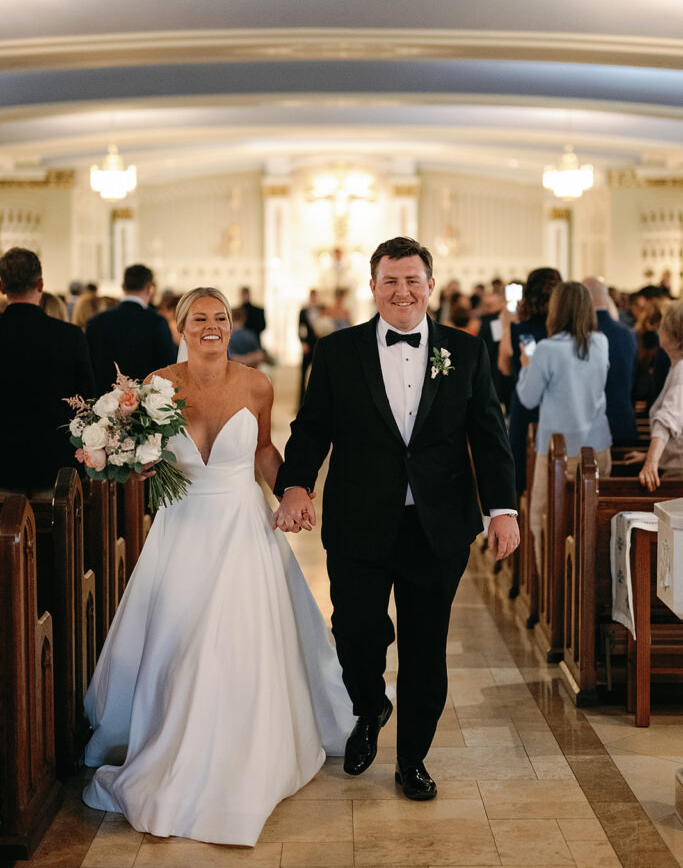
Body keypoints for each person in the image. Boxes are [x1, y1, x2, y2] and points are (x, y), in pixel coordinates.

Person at [82, 287, 353, 845]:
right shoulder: (156, 386)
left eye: (221, 318)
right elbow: (142, 460)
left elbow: (262, 453)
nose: (213, 326)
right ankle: (171, 743)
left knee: (229, 641)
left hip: (241, 530)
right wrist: (123, 458)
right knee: (178, 641)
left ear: (233, 324)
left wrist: (292, 494)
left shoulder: (256, 384)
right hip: (181, 531)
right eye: (200, 318)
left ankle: (237, 752)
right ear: (180, 325)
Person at [273, 237, 518, 801]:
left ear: (430, 286)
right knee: (356, 633)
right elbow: (312, 428)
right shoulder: (337, 352)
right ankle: (369, 705)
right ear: (373, 286)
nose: (402, 291)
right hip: (360, 519)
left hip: (438, 525)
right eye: (391, 281)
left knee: (426, 647)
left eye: (413, 280)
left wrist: (501, 509)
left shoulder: (467, 351)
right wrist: (295, 485)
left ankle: (413, 759)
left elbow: (489, 434)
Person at [516, 281, 611, 575]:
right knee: (591, 525)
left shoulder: (545, 349)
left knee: (543, 520)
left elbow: (527, 397)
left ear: (555, 311)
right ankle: (590, 592)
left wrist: (527, 363)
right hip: (598, 448)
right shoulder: (600, 342)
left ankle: (554, 597)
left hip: (558, 451)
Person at [0, 247, 95, 495]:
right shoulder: (69, 336)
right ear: (41, 284)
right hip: (55, 464)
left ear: (2, 286)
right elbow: (86, 399)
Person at [498, 267, 562, 495]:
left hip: (525, 405)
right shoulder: (563, 330)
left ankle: (522, 518)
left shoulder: (517, 328)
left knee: (523, 471)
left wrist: (507, 325)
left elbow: (504, 367)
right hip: (557, 405)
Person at [86, 264, 177, 393]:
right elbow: (169, 368)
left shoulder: (97, 322)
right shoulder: (157, 323)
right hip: (145, 405)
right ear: (150, 289)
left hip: (104, 403)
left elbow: (89, 368)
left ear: (123, 286)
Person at [624, 300, 683, 489]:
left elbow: (667, 421)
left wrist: (651, 462)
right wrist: (649, 455)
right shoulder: (676, 367)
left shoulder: (682, 370)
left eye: (663, 325)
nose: (658, 330)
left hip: (678, 474)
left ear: (674, 334)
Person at [583, 276, 639, 446]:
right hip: (624, 423)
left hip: (593, 429)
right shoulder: (626, 334)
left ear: (586, 299)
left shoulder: (583, 335)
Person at [298, 287, 321, 406]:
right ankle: (301, 403)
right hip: (307, 345)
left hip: (319, 345)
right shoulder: (303, 311)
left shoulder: (322, 310)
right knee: (303, 374)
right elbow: (301, 328)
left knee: (319, 373)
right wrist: (303, 343)